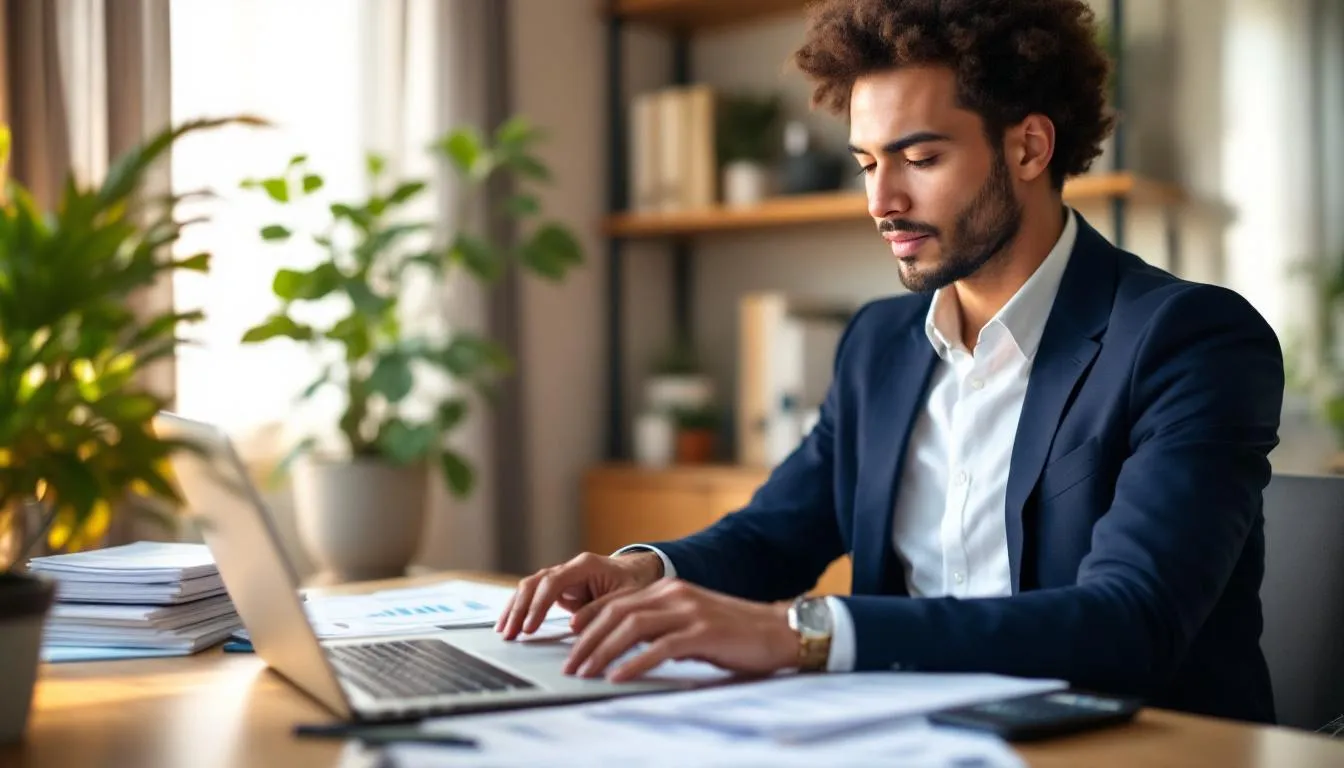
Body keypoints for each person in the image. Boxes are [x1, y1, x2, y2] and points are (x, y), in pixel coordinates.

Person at [497, 0, 1283, 724]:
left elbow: (1129, 621)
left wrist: (804, 632)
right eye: (869, 162)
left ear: (1029, 146)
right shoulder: (879, 344)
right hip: (905, 737)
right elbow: (777, 534)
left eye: (920, 158)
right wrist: (647, 570)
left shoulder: (1189, 339)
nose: (881, 201)